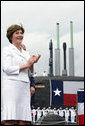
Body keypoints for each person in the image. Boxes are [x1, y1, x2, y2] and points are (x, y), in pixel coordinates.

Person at [1, 24, 41, 125]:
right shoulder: (7, 50)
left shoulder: (25, 52)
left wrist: (32, 63)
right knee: (11, 117)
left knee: (24, 119)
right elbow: (7, 68)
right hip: (12, 86)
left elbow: (30, 72)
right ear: (11, 36)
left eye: (21, 33)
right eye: (17, 33)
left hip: (24, 86)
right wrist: (27, 64)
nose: (20, 35)